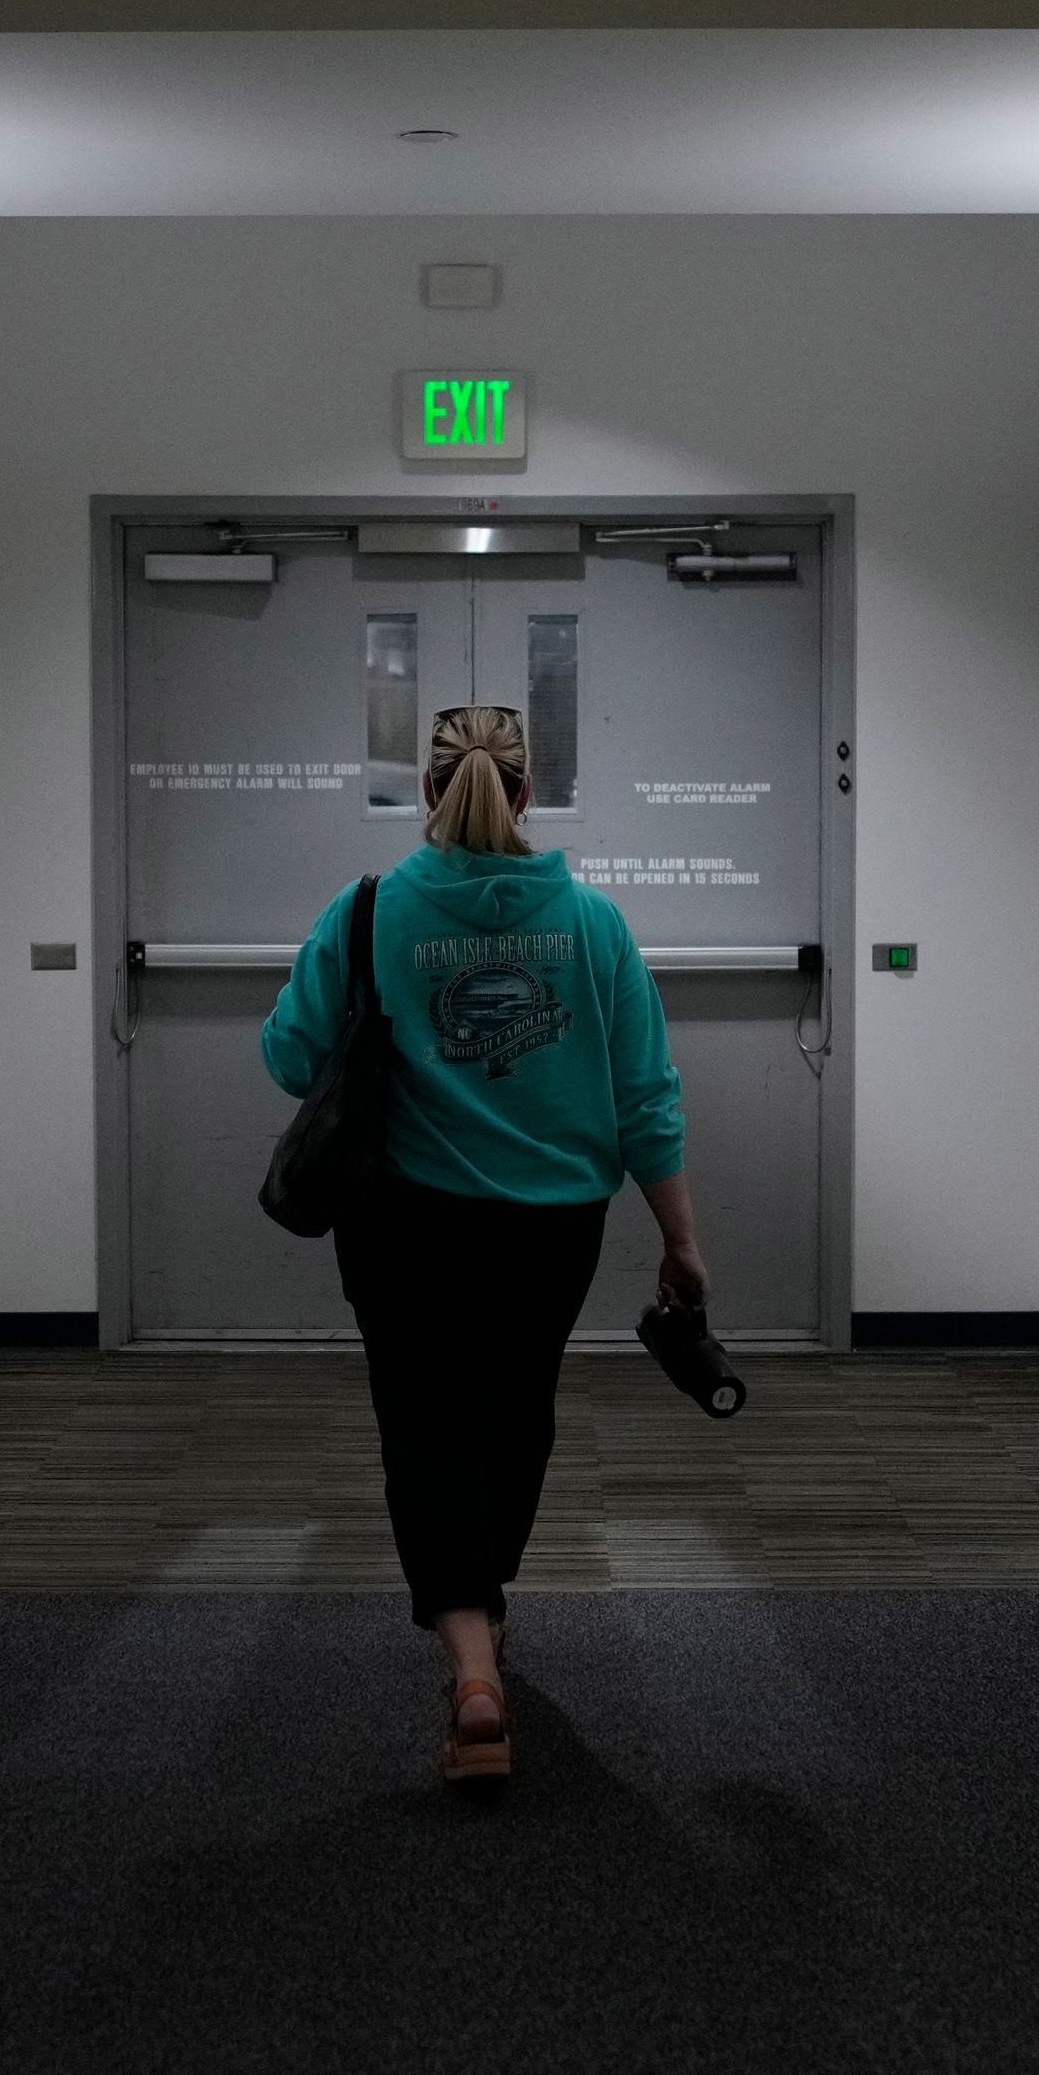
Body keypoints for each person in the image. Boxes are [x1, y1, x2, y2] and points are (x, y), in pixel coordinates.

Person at [263, 702, 708, 1784]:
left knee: (422, 1425)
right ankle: (484, 1609)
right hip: (551, 1227)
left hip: (405, 1222)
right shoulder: (595, 925)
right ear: (526, 795)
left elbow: (288, 1057)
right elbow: (646, 1098)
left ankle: (469, 1663)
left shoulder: (367, 912)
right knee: (516, 1415)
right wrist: (680, 1242)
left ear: (428, 792)